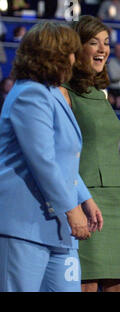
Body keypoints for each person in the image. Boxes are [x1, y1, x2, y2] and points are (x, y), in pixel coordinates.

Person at [0, 22, 103, 292]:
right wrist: (72, 209)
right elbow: (42, 161)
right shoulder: (29, 94)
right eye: (69, 52)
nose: (73, 58)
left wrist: (85, 198)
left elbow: (62, 160)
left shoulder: (50, 93)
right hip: (25, 226)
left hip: (57, 228)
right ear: (52, 54)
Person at [60, 15, 120, 292]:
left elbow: (108, 158)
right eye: (93, 42)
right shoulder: (63, 93)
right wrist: (75, 204)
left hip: (116, 202)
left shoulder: (101, 93)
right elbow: (61, 157)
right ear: (77, 48)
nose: (102, 49)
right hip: (85, 201)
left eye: (106, 43)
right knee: (86, 284)